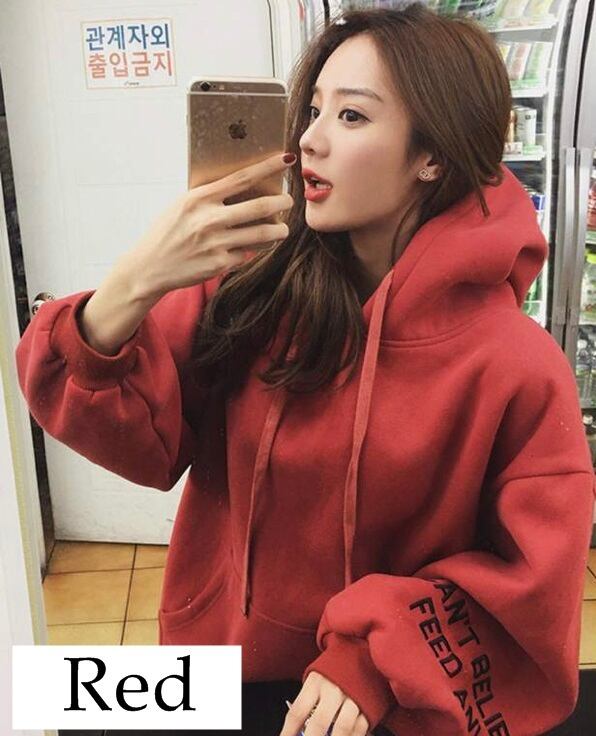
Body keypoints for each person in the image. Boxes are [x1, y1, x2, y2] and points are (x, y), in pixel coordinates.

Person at [14, 3, 595, 736]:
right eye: (313, 110)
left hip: (382, 704)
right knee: (31, 697)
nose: (309, 140)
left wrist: (377, 658)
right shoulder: (250, 289)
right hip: (214, 676)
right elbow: (137, 442)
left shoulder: (516, 366)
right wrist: (137, 280)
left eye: (351, 116)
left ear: (433, 156)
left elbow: (532, 585)